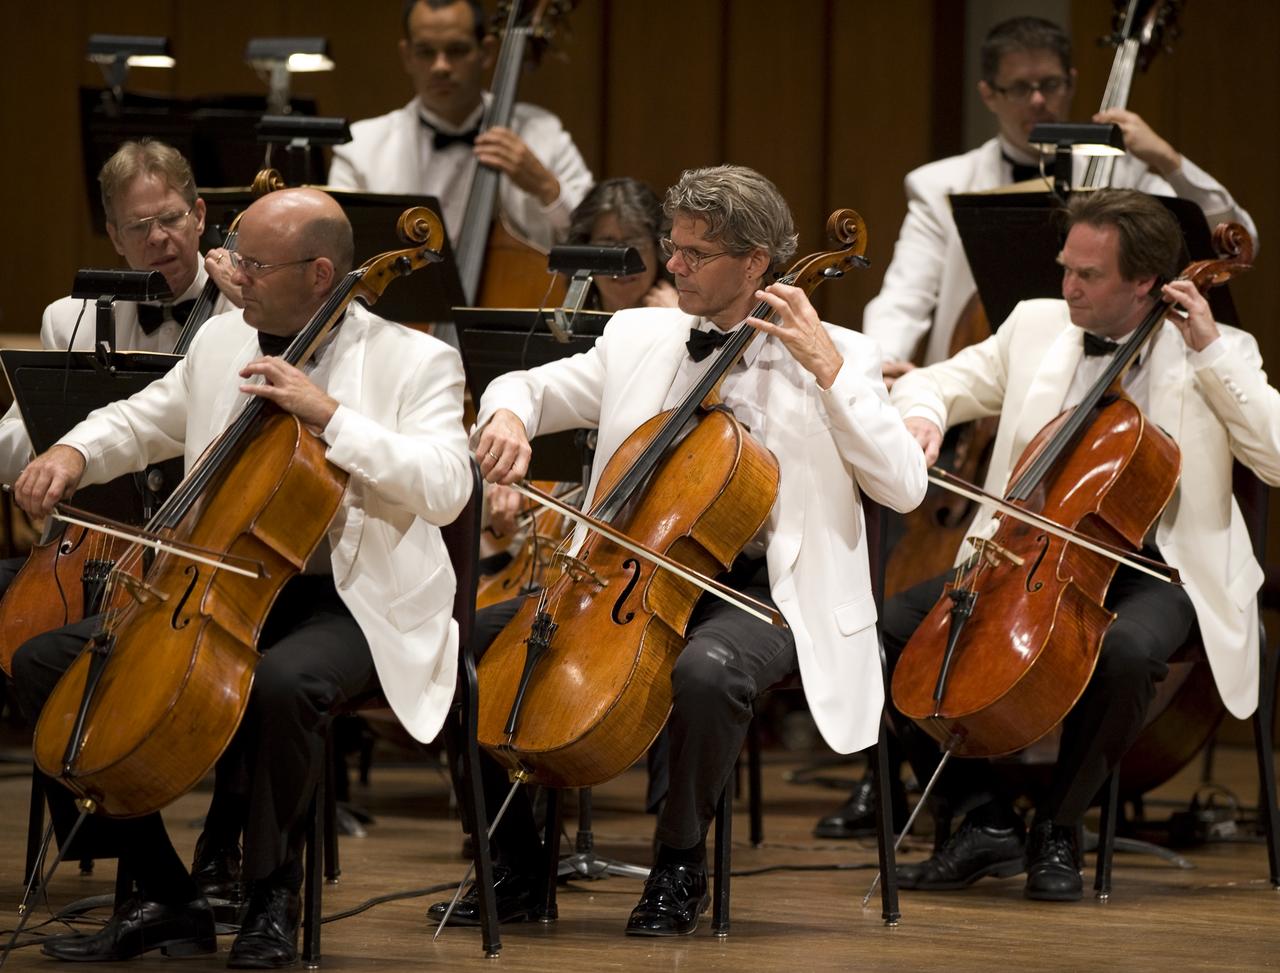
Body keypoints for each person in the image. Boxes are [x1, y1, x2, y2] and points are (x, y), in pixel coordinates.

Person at [432, 163, 927, 936]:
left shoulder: (842, 356)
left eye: (697, 253)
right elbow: (531, 386)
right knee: (454, 654)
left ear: (757, 262)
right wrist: (507, 417)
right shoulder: (638, 335)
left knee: (706, 670)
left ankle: (679, 860)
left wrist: (829, 371)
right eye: (674, 245)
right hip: (629, 578)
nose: (674, 266)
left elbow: (904, 487)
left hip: (770, 590)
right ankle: (517, 864)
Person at [10, 187, 472, 966]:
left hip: (354, 598)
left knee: (279, 684)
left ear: (320, 272)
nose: (230, 272)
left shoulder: (414, 358)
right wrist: (72, 451)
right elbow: (146, 416)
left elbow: (446, 484)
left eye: (252, 263)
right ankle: (164, 892)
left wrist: (330, 416)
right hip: (223, 581)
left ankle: (269, 895)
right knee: (45, 663)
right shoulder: (224, 340)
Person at [881, 188, 1280, 901]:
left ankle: (1060, 826)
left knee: (1124, 652)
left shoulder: (1219, 351)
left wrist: (1213, 353)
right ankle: (980, 818)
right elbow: (940, 383)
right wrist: (922, 419)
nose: (1066, 286)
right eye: (1065, 267)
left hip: (1163, 567)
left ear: (1146, 282)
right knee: (886, 631)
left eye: (1087, 276)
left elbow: (1275, 455)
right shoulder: (1035, 325)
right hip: (1037, 556)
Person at [863, 15, 1257, 384]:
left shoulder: (1124, 173)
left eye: (1050, 85)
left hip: (1105, 380)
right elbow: (905, 293)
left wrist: (1168, 161)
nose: (1037, 101)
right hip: (977, 389)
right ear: (988, 94)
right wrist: (880, 363)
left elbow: (1233, 240)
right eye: (1019, 87)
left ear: (1071, 82)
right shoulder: (939, 185)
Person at [0, 137, 240, 488]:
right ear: (114, 238)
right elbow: (10, 440)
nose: (157, 237)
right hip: (95, 532)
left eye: (171, 218)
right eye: (138, 226)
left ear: (199, 217)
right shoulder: (69, 322)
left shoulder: (244, 309)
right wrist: (66, 445)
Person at [327, 0, 593, 251]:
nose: (441, 66)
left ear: (486, 52)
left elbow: (594, 239)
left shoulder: (543, 132)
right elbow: (338, 255)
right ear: (407, 56)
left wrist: (546, 187)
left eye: (456, 51)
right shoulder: (359, 148)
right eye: (425, 52)